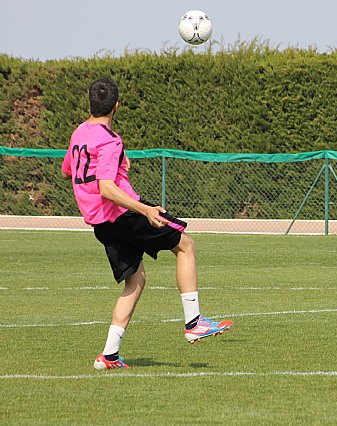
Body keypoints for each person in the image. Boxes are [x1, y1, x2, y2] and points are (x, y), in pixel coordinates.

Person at [61, 77, 232, 370]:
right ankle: (194, 322)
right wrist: (146, 210)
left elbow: (68, 172)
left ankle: (109, 356)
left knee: (136, 280)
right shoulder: (110, 139)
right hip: (122, 214)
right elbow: (106, 188)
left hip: (101, 223)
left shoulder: (79, 133)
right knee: (186, 246)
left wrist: (114, 170)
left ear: (90, 104)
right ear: (117, 106)